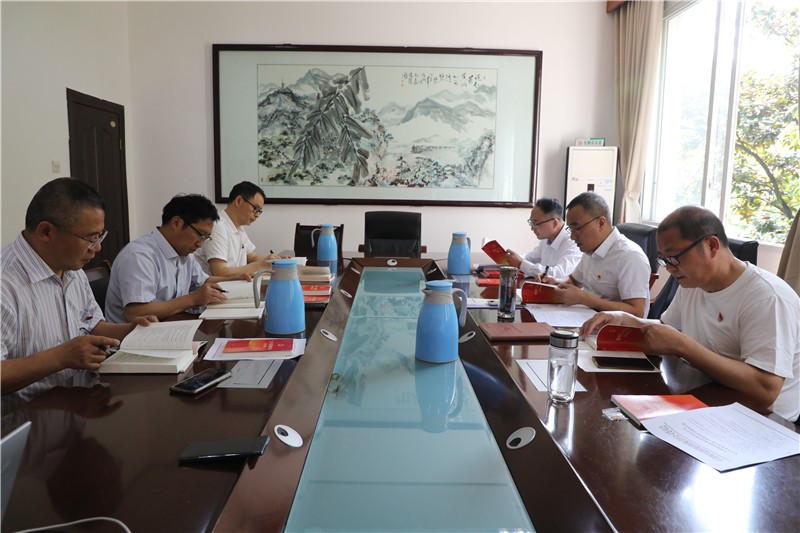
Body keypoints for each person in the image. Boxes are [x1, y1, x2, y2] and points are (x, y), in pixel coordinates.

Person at [581, 206, 800, 422]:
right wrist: (625, 319)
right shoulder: (693, 284)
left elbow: (766, 389)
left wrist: (683, 345)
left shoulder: (766, 297)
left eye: (674, 257)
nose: (669, 268)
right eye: (664, 260)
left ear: (712, 245)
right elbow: (668, 330)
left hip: (763, 420)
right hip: (709, 396)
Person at [1, 178, 157, 401]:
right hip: (26, 416)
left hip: (78, 400)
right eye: (90, 238)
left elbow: (91, 325)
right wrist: (60, 357)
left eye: (100, 236)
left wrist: (130, 330)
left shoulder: (71, 268)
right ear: (46, 231)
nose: (97, 248)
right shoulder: (6, 283)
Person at [105, 194, 239, 323]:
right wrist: (192, 299)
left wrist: (237, 279)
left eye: (205, 237)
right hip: (134, 336)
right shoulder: (140, 255)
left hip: (170, 326)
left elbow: (204, 281)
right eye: (200, 234)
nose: (200, 244)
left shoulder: (184, 253)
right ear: (176, 223)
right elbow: (135, 313)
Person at [545, 192, 650, 317]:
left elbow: (637, 312)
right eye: (570, 230)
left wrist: (585, 299)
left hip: (612, 326)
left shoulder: (629, 256)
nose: (572, 237)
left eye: (577, 229)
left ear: (601, 223)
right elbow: (574, 281)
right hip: (584, 317)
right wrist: (556, 281)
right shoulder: (590, 248)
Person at [194, 181, 281, 276]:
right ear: (239, 201)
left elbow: (252, 257)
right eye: (255, 208)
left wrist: (276, 260)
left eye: (259, 211)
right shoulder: (218, 227)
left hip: (235, 283)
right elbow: (219, 272)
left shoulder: (238, 228)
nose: (257, 215)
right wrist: (259, 266)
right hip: (217, 285)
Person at [505, 197, 582, 280]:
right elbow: (530, 258)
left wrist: (521, 264)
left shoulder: (573, 242)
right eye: (531, 223)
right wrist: (510, 258)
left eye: (536, 223)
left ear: (554, 223)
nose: (532, 228)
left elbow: (560, 274)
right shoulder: (547, 238)